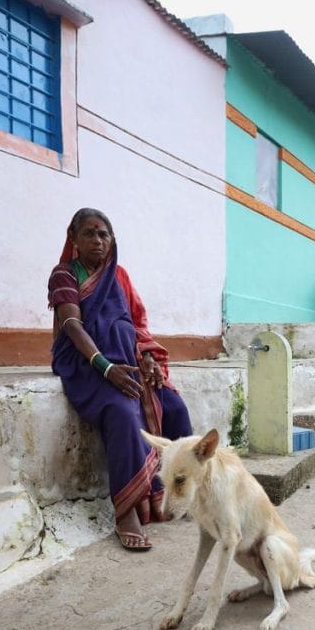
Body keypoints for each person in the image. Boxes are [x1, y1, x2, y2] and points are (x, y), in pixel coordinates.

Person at [47, 208, 193, 551]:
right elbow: (72, 325)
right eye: (89, 233)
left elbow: (135, 325)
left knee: (174, 408)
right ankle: (126, 510)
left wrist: (146, 359)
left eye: (104, 234)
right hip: (85, 363)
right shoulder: (64, 274)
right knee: (123, 412)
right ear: (74, 239)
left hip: (126, 360)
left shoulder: (120, 276)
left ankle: (180, 490)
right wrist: (105, 367)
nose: (97, 240)